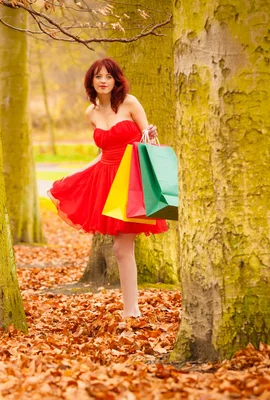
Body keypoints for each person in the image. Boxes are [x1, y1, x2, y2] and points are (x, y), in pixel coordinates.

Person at [47, 58, 168, 318]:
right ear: (91, 81)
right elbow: (103, 152)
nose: (103, 81)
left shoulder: (130, 103)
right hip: (106, 177)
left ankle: (131, 309)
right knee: (119, 248)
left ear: (116, 80)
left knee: (121, 248)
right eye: (98, 76)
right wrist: (77, 173)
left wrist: (153, 135)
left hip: (131, 177)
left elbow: (149, 140)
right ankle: (131, 309)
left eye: (108, 77)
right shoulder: (90, 112)